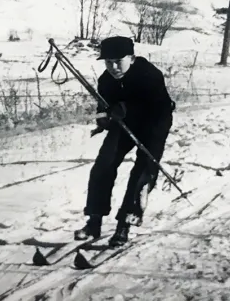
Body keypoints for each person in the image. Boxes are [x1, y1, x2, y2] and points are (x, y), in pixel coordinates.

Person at [75, 36, 176, 248]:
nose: (113, 67)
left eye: (118, 61)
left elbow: (157, 108)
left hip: (154, 124)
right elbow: (105, 106)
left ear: (132, 58)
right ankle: (94, 220)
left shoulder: (150, 75)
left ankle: (125, 223)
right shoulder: (105, 80)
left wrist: (125, 109)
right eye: (108, 61)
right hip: (124, 124)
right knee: (104, 163)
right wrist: (103, 118)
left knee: (142, 170)